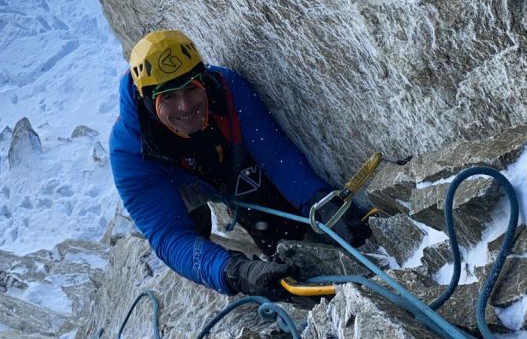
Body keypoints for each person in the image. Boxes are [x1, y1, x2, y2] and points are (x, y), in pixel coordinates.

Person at [109, 29, 372, 299]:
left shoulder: (225, 90)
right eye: (169, 97)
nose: (185, 106)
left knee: (271, 219)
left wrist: (320, 202)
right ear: (149, 101)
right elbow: (169, 234)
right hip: (177, 183)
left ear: (204, 80)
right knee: (192, 235)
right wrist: (234, 272)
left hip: (226, 164)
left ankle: (283, 263)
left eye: (191, 89)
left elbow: (275, 156)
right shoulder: (130, 152)